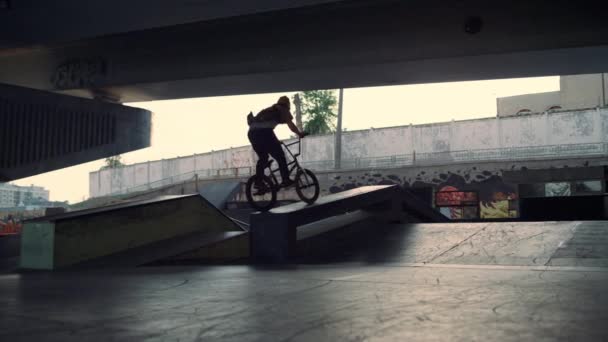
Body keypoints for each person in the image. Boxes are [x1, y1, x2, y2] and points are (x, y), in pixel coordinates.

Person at [247, 96, 305, 188]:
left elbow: (266, 127)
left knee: (263, 158)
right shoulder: (283, 109)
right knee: (280, 156)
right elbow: (291, 125)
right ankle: (285, 179)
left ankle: (258, 182)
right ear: (288, 105)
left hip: (252, 134)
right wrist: (299, 133)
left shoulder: (271, 110)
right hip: (264, 133)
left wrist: (276, 141)